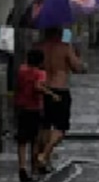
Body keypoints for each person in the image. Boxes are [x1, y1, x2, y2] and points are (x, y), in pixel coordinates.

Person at [35, 27, 87, 173]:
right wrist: (80, 61)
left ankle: (44, 160)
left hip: (44, 89)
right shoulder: (65, 48)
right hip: (60, 90)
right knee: (60, 128)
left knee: (45, 126)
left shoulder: (39, 47)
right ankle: (44, 155)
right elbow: (77, 67)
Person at [14, 49, 57, 182]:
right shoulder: (40, 73)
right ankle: (34, 168)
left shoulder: (21, 71)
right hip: (34, 109)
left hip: (21, 107)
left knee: (22, 141)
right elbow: (38, 86)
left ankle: (21, 167)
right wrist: (51, 94)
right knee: (34, 140)